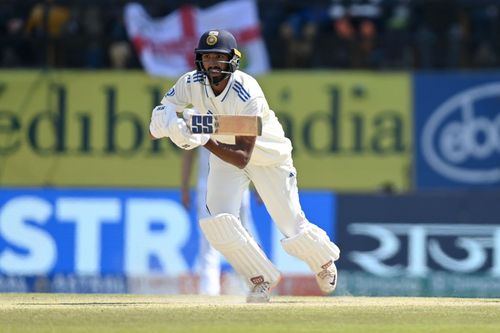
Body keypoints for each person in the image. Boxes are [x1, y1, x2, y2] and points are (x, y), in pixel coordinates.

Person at [149, 29, 340, 303]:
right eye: (207, 57)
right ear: (199, 60)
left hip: (267, 157)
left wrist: (203, 139)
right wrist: (168, 125)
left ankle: (323, 262)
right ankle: (260, 279)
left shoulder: (247, 91)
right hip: (225, 156)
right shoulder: (190, 83)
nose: (213, 63)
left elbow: (242, 156)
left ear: (233, 60)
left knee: (290, 225)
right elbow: (163, 112)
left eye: (219, 57)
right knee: (217, 220)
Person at [181, 148, 256, 295]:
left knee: (241, 238)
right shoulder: (197, 123)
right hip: (222, 186)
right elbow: (188, 149)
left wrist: (184, 187)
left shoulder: (241, 124)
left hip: (231, 185)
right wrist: (184, 187)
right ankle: (214, 290)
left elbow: (253, 151)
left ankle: (246, 287)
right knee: (225, 239)